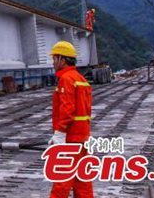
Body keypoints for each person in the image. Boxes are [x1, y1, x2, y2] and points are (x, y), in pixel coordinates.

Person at [48, 40, 93, 198]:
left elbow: (67, 108)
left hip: (70, 137)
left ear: (63, 60)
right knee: (82, 179)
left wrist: (60, 133)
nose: (53, 62)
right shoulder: (81, 79)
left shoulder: (66, 79)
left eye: (54, 59)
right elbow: (86, 110)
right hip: (82, 136)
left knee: (62, 177)